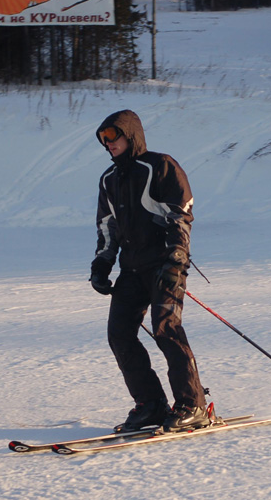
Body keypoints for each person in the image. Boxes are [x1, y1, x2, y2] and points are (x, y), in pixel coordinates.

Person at [89, 110, 209, 433]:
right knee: (119, 333)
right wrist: (102, 264)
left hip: (165, 266)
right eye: (104, 140)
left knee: (165, 328)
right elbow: (107, 228)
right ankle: (151, 403)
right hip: (131, 269)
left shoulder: (159, 166)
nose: (108, 144)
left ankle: (192, 404)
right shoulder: (109, 180)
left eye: (113, 136)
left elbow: (180, 215)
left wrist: (176, 262)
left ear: (131, 135)